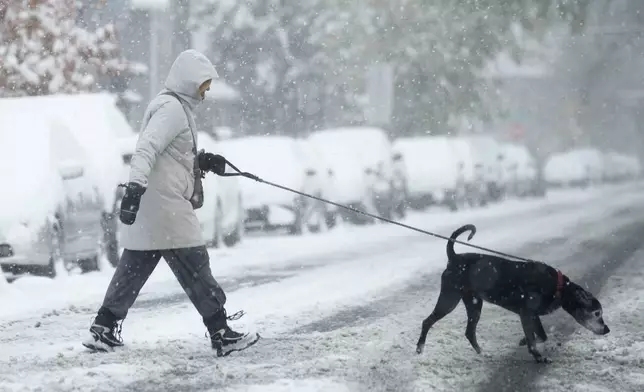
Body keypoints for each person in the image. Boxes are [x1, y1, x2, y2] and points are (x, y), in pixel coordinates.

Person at [82, 49, 259, 357]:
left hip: (156, 207)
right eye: (204, 84)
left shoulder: (174, 107)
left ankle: (104, 327)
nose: (207, 90)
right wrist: (134, 186)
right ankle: (221, 332)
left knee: (133, 269)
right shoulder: (172, 109)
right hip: (166, 208)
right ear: (190, 81)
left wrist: (202, 159)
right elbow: (146, 149)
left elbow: (169, 154)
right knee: (195, 266)